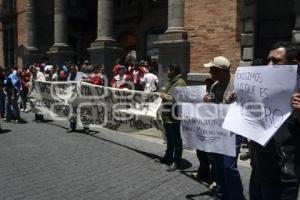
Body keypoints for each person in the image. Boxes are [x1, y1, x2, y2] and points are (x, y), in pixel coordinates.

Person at [249, 42, 300, 200]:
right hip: (258, 170)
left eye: (276, 61)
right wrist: (239, 102)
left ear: (295, 64)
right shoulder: (262, 87)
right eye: (268, 61)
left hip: (283, 179)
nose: (269, 66)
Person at [203, 56, 245, 200]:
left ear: (221, 71)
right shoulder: (215, 85)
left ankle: (237, 197)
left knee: (229, 167)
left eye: (212, 70)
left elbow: (246, 109)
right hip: (218, 130)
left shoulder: (238, 84)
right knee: (218, 164)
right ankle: (222, 194)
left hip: (233, 132)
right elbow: (214, 110)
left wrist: (230, 103)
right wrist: (207, 102)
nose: (210, 73)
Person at [159, 63, 187, 171]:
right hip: (168, 116)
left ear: (174, 71)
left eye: (169, 70)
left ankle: (176, 161)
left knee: (176, 140)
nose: (167, 72)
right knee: (169, 139)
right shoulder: (173, 82)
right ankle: (168, 157)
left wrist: (163, 96)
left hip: (174, 117)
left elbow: (176, 99)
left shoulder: (180, 83)